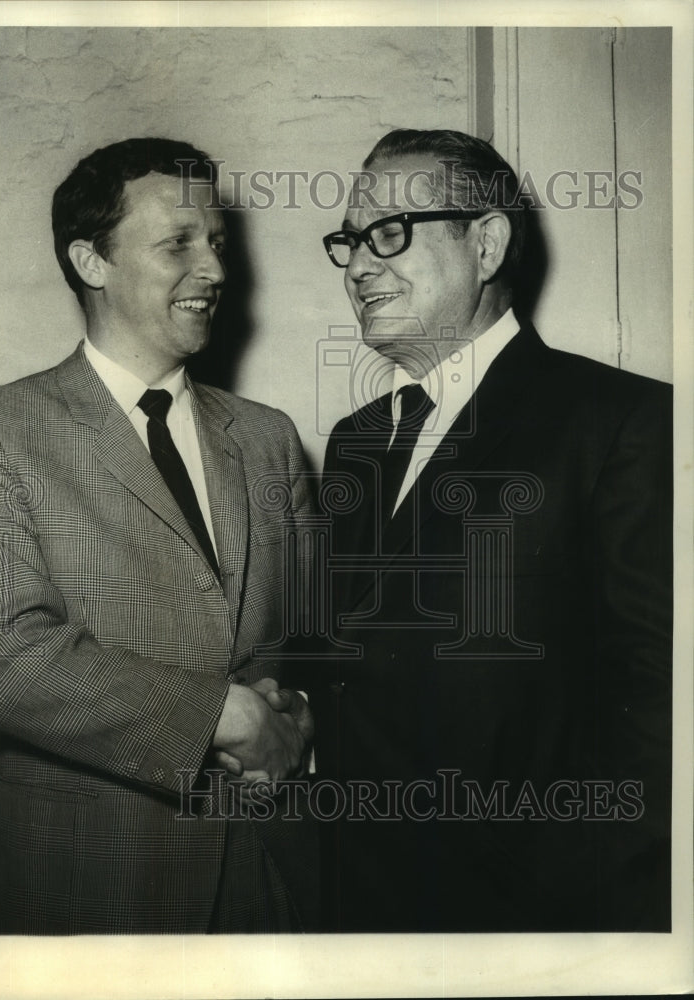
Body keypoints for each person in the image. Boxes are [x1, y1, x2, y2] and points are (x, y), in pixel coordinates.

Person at [0, 137, 317, 934]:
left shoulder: (269, 438)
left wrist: (300, 720)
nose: (212, 270)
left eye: (216, 243)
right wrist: (223, 717)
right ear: (90, 261)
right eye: (179, 242)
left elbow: (314, 637)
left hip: (266, 884)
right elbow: (4, 655)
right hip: (94, 888)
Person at [312, 128, 672, 932]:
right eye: (349, 242)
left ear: (486, 244)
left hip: (540, 916)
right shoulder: (355, 442)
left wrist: (588, 892)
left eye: (389, 234)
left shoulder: (623, 422)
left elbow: (663, 692)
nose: (360, 265)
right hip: (362, 906)